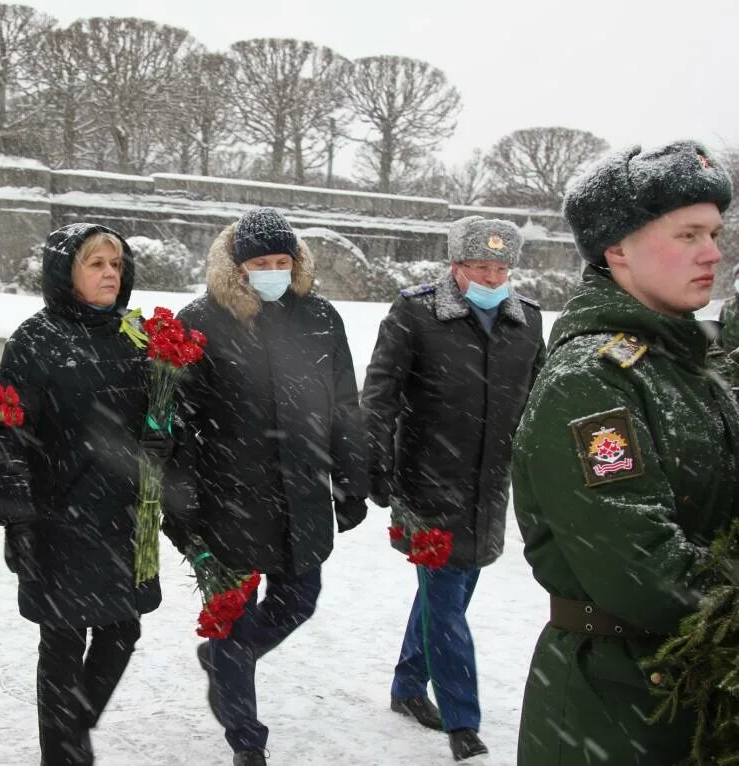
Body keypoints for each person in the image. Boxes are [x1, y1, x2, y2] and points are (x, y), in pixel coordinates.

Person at [512, 140, 739, 765]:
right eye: (688, 234)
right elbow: (642, 571)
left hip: (684, 692)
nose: (713, 252)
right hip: (620, 704)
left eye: (715, 233)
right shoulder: (593, 380)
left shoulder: (684, 363)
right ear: (617, 249)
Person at [162, 208, 368, 766]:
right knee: (230, 614)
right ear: (238, 265)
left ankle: (228, 657)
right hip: (226, 495)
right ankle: (246, 739)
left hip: (301, 491)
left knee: (298, 601)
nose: (273, 271)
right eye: (261, 263)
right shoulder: (201, 319)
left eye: (283, 262)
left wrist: (352, 481)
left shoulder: (322, 317)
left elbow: (344, 406)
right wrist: (179, 502)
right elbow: (175, 420)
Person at [361, 216, 545, 761]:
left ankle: (407, 685)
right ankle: (463, 720)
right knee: (446, 603)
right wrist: (374, 463)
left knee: (449, 593)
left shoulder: (528, 322)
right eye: (480, 266)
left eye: (500, 266)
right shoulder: (415, 314)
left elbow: (541, 404)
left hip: (489, 486)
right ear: (455, 267)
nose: (492, 276)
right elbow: (380, 394)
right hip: (425, 484)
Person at [0, 223, 163, 766]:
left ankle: (70, 737)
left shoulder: (138, 335)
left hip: (125, 518)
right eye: (96, 264)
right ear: (67, 273)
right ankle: (60, 755)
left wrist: (164, 434)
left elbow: (163, 416)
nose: (110, 273)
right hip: (58, 518)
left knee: (122, 631)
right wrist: (17, 519)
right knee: (62, 643)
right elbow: (7, 436)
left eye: (116, 264)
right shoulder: (35, 340)